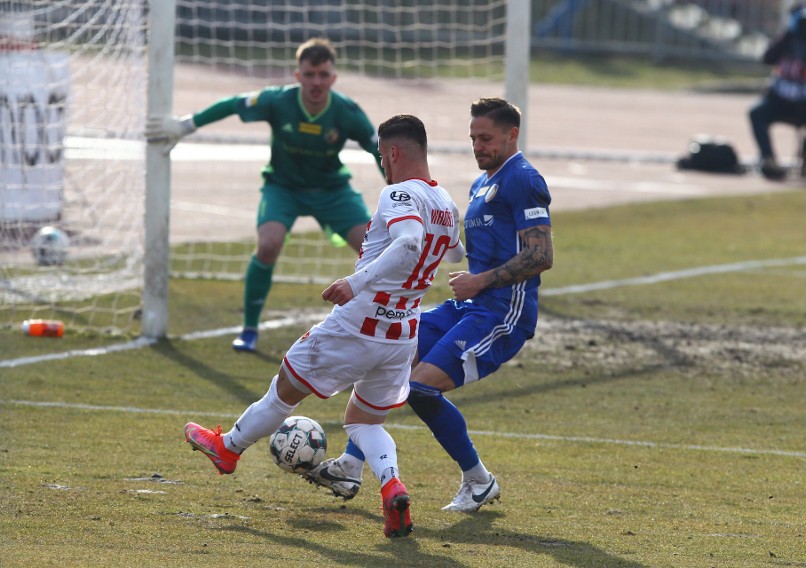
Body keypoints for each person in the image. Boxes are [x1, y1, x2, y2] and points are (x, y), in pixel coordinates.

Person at [182, 114, 464, 538]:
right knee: (365, 422)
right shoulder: (446, 203)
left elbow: (407, 242)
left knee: (285, 389)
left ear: (393, 153)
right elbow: (456, 254)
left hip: (358, 324)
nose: (383, 166)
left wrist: (357, 280)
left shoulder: (398, 193)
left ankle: (227, 449)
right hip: (402, 333)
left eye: (382, 157)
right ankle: (392, 488)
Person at [306, 97, 553, 513]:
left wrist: (480, 281)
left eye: (487, 138)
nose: (478, 145)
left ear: (512, 135)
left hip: (502, 315)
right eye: (473, 137)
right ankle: (350, 465)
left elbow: (541, 255)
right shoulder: (482, 183)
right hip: (470, 308)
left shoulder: (524, 180)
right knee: (392, 350)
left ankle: (478, 480)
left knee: (420, 388)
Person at [145, 37, 384, 352]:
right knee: (269, 243)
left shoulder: (347, 112)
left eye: (323, 75)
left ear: (333, 78)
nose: (316, 82)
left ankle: (383, 328)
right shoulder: (277, 101)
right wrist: (186, 125)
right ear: (297, 76)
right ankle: (249, 328)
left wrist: (406, 192)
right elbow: (232, 104)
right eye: (309, 75)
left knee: (375, 252)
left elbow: (378, 151)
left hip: (332, 191)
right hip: (282, 188)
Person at [748, 3, 806, 180]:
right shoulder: (788, 38)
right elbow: (767, 58)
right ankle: (768, 158)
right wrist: (788, 32)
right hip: (781, 100)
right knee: (756, 112)